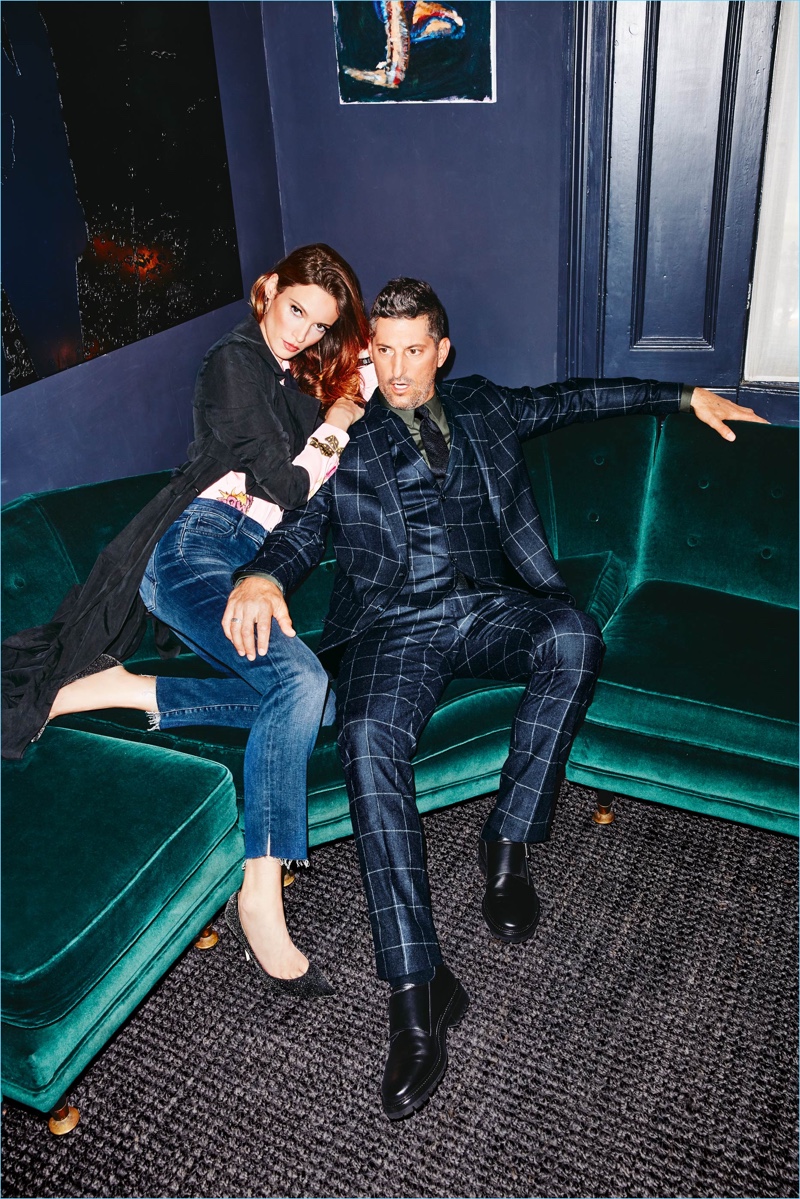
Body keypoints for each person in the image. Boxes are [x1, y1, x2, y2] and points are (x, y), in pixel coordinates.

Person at [222, 276, 769, 1117]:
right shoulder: (344, 436)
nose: (396, 370)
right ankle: (418, 991)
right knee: (367, 737)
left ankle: (506, 841)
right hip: (394, 628)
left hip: (483, 606)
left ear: (441, 351)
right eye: (383, 352)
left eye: (413, 351)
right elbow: (299, 527)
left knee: (574, 635)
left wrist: (684, 394)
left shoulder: (485, 405)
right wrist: (262, 573)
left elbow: (578, 397)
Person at [1, 243, 369, 994]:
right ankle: (260, 890)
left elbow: (343, 416)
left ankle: (128, 690)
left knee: (321, 700)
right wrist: (335, 421)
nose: (302, 332)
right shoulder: (234, 361)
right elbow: (288, 485)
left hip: (239, 561)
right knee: (300, 683)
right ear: (269, 288)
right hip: (194, 549)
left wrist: (354, 379)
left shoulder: (288, 374)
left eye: (319, 324)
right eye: (295, 309)